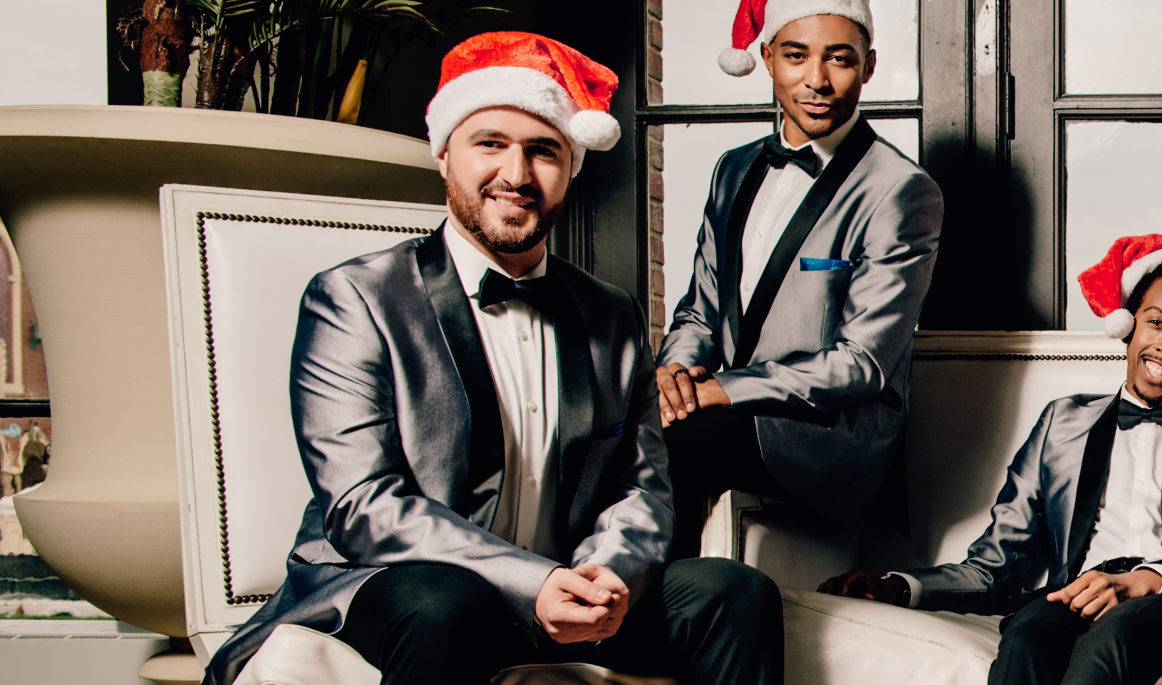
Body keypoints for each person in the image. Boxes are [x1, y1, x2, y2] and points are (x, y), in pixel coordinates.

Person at [204, 32, 783, 685]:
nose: (516, 173)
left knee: (735, 594)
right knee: (447, 604)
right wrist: (531, 581)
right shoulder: (354, 298)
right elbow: (363, 503)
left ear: (570, 168)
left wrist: (609, 574)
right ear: (445, 154)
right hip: (394, 593)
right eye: (491, 144)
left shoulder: (610, 312)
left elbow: (640, 486)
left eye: (543, 151)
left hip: (564, 587)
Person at [817, 235, 1162, 685]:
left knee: (1114, 635)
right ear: (1129, 324)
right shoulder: (1063, 421)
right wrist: (897, 587)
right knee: (1027, 634)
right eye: (1156, 322)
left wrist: (1144, 580)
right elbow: (995, 566)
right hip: (1076, 594)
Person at [657, 0, 943, 555]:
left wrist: (723, 389)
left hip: (832, 436)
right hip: (734, 413)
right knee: (613, 427)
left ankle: (658, 625)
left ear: (869, 66)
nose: (817, 80)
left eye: (839, 59)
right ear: (767, 58)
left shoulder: (901, 189)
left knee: (666, 442)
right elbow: (700, 309)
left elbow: (861, 365)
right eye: (796, 56)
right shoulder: (733, 167)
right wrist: (675, 371)